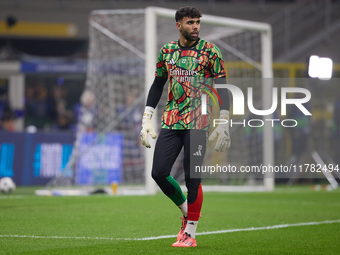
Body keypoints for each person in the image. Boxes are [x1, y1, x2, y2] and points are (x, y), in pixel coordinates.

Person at [140, 6, 231, 247]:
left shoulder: (210, 51)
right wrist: (147, 117)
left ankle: (190, 233)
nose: (196, 27)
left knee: (192, 176)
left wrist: (223, 120)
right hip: (171, 120)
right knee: (158, 172)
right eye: (190, 23)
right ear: (178, 24)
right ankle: (186, 212)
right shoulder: (167, 51)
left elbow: (222, 87)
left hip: (198, 122)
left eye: (198, 22)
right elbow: (158, 84)